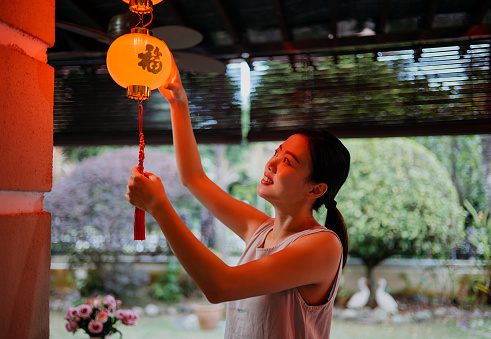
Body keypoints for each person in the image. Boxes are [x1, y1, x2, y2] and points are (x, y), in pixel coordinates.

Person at [125, 55, 350, 338]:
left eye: (288, 162)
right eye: (277, 152)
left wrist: (158, 206)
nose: (271, 162)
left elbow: (220, 286)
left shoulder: (323, 246)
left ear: (316, 189)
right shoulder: (261, 229)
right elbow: (194, 178)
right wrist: (179, 103)